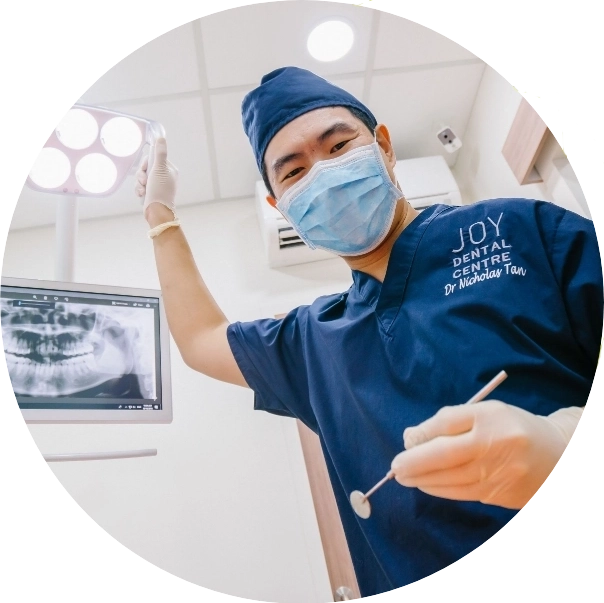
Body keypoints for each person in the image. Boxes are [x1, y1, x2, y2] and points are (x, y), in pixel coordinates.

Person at [135, 66, 602, 597]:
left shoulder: (518, 231)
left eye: (338, 146)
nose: (323, 174)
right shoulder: (311, 342)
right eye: (293, 172)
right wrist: (160, 217)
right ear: (280, 206)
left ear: (383, 146)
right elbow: (200, 341)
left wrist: (567, 442)